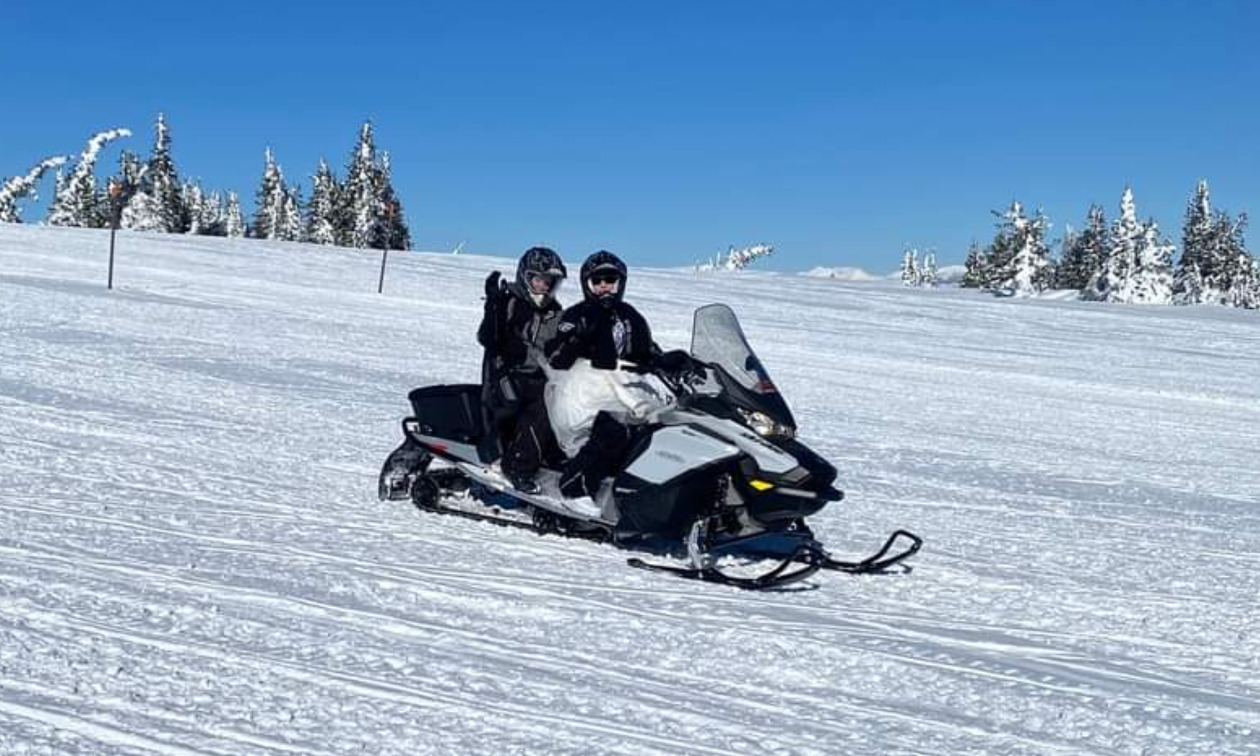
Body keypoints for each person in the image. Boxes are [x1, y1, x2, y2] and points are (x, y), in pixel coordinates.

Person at [545, 250, 679, 501]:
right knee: (614, 430)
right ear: (588, 284)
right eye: (598, 281)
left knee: (664, 427)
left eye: (610, 280)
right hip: (580, 394)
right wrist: (578, 338)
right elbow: (557, 356)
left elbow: (645, 352)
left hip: (622, 392)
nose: (605, 287)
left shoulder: (630, 317)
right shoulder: (578, 315)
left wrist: (672, 362)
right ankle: (575, 490)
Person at [478, 246, 567, 494]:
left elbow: (565, 345)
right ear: (525, 277)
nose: (544, 287)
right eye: (539, 280)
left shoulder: (555, 313)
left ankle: (552, 460)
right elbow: (488, 337)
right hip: (504, 374)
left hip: (540, 376)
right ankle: (517, 466)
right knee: (545, 405)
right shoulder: (509, 302)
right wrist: (493, 305)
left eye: (550, 282)